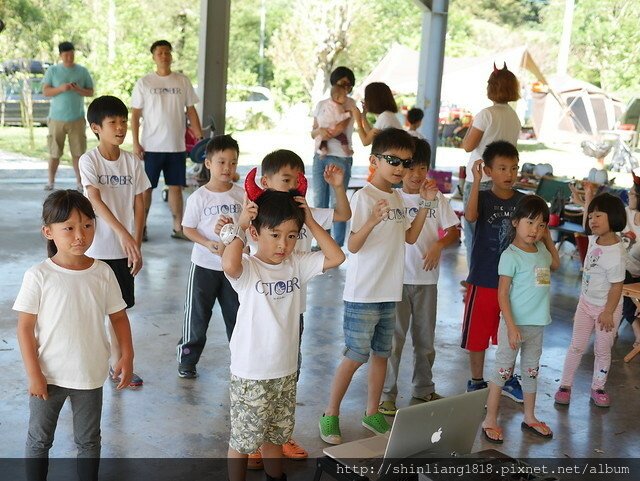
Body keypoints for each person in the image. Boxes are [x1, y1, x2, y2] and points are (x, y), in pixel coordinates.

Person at [319, 128, 438, 445]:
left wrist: (426, 205)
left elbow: (410, 238)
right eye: (393, 160)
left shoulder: (398, 197)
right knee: (355, 355)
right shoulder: (364, 197)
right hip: (363, 294)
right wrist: (371, 220)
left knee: (381, 355)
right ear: (374, 161)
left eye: (406, 162)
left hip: (390, 292)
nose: (400, 168)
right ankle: (330, 414)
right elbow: (352, 245)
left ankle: (372, 412)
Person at [222, 186, 345, 481]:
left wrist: (311, 222)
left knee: (275, 437)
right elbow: (228, 263)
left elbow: (337, 256)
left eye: (291, 236)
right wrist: (240, 224)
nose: (283, 244)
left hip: (285, 371)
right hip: (251, 373)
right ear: (255, 234)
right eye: (275, 235)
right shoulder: (249, 267)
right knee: (243, 441)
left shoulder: (297, 263)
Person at [14, 190, 134, 481]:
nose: (80, 235)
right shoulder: (39, 275)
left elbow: (118, 317)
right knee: (40, 441)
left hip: (89, 376)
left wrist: (127, 356)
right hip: (48, 376)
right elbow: (25, 328)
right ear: (48, 231)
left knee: (89, 442)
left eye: (87, 225)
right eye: (69, 228)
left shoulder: (102, 272)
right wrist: (34, 374)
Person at [244, 149, 350, 465]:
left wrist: (336, 188)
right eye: (285, 179)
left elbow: (343, 215)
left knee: (290, 370)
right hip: (259, 305)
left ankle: (280, 434)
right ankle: (251, 440)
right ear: (265, 181)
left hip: (294, 305)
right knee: (254, 373)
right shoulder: (255, 214)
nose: (292, 185)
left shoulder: (304, 210)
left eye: (296, 179)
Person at [379, 138, 460, 416]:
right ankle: (387, 395)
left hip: (427, 282)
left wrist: (439, 244)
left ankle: (423, 389)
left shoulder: (437, 199)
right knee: (393, 341)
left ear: (428, 170)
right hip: (397, 281)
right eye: (409, 167)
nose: (415, 175)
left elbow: (454, 231)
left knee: (425, 340)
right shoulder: (393, 197)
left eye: (421, 168)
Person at [79, 95, 149, 388]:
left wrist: (136, 241)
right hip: (94, 249)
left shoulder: (132, 162)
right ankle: (81, 366)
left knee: (118, 311)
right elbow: (93, 199)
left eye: (123, 122)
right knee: (89, 311)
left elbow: (140, 202)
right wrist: (123, 234)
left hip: (123, 250)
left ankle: (119, 365)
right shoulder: (89, 160)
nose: (120, 128)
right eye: (113, 123)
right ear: (96, 128)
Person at [481, 195, 560, 443]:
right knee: (502, 372)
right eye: (530, 223)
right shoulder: (511, 255)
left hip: (537, 325)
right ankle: (490, 419)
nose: (535, 230)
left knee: (531, 371)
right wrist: (511, 326)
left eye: (541, 225)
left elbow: (555, 264)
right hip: (514, 325)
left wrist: (547, 239)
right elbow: (502, 295)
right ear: (516, 222)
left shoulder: (542, 253)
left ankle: (530, 416)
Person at [176, 135, 244, 379]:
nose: (227, 168)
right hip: (204, 265)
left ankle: (241, 359)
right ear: (208, 163)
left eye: (233, 163)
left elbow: (248, 226)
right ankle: (188, 359)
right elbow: (188, 228)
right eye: (221, 162)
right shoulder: (199, 197)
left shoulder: (242, 194)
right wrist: (208, 243)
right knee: (197, 315)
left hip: (234, 267)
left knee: (236, 314)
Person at [462, 141, 525, 401]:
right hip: (483, 278)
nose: (509, 174)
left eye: (513, 168)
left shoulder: (523, 201)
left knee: (510, 333)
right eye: (502, 168)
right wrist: (476, 182)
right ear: (488, 170)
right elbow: (470, 215)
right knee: (477, 334)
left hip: (514, 283)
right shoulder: (484, 197)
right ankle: (476, 382)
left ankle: (507, 378)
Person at [554, 193, 627, 408]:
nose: (592, 220)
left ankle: (598, 387)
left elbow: (617, 286)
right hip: (585, 304)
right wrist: (586, 199)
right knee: (576, 346)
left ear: (612, 218)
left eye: (598, 216)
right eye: (591, 216)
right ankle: (565, 386)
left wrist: (607, 312)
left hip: (608, 310)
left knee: (602, 351)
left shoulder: (616, 253)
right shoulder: (595, 237)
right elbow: (588, 223)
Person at [131, 39, 203, 241]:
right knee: (146, 189)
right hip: (151, 146)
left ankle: (178, 227)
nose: (164, 55)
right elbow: (135, 115)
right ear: (154, 57)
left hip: (176, 146)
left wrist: (199, 136)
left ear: (171, 56)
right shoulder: (145, 82)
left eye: (167, 52)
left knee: (176, 187)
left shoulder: (182, 81)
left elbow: (191, 110)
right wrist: (136, 143)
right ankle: (141, 227)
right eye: (160, 52)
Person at [461, 64, 521, 272]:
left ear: (491, 87)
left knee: (473, 230)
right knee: (497, 231)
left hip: (480, 177)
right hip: (502, 179)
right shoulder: (514, 117)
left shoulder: (486, 114)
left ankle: (473, 274)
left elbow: (468, 145)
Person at [311, 66, 356, 247]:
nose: (345, 87)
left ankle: (336, 244)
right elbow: (312, 132)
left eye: (348, 84)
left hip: (340, 157)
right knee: (319, 200)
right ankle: (322, 242)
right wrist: (319, 131)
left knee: (338, 202)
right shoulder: (321, 104)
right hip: (320, 156)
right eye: (341, 83)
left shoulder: (350, 104)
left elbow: (339, 129)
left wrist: (328, 131)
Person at [42, 41, 94, 191]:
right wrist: (61, 88)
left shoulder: (82, 71)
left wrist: (78, 90)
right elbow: (46, 92)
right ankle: (50, 182)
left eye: (71, 54)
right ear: (60, 55)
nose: (69, 57)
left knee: (78, 152)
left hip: (77, 118)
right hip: (56, 119)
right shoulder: (52, 71)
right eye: (66, 55)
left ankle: (80, 182)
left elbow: (90, 92)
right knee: (54, 152)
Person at [350, 82, 402, 147]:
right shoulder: (387, 114)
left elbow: (365, 142)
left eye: (366, 97)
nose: (365, 100)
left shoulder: (385, 116)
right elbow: (371, 136)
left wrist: (358, 121)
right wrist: (363, 115)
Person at [315, 85, 353, 158]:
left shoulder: (328, 104)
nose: (346, 98)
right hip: (331, 128)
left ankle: (324, 150)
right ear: (337, 98)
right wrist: (348, 114)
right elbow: (339, 117)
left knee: (323, 140)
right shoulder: (337, 107)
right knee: (343, 138)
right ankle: (346, 150)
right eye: (344, 96)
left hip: (323, 127)